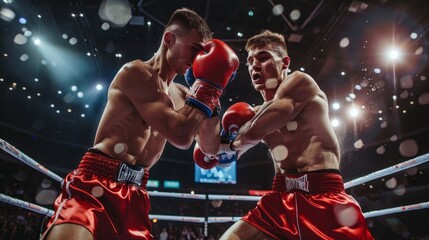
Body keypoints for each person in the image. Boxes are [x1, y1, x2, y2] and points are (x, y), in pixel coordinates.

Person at [42, 8, 239, 240]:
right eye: (195, 49)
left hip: (136, 192)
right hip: (97, 183)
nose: (198, 59)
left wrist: (213, 91)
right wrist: (209, 88)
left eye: (203, 54)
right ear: (169, 39)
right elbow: (181, 135)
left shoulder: (184, 95)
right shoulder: (137, 73)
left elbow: (209, 146)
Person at [219, 30, 374, 239]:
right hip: (279, 199)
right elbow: (214, 155)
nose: (254, 65)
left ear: (284, 62)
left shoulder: (301, 83)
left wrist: (231, 145)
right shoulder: (253, 114)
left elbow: (256, 131)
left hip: (323, 196)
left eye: (263, 57)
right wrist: (208, 98)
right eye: (250, 61)